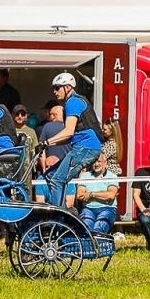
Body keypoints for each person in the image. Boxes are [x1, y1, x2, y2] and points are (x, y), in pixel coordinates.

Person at [42, 72, 103, 207]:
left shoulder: (73, 102)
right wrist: (44, 145)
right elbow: (69, 138)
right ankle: (64, 214)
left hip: (86, 148)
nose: (54, 91)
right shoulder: (72, 103)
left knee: (58, 180)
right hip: (82, 147)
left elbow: (68, 132)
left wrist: (47, 142)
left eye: (57, 87)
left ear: (68, 87)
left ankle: (58, 217)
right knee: (51, 175)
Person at [67, 149, 119, 238]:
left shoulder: (112, 176)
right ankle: (88, 250)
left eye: (99, 161)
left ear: (105, 163)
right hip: (88, 209)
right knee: (85, 229)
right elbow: (80, 195)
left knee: (98, 229)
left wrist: (91, 194)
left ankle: (96, 249)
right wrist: (102, 194)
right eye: (94, 161)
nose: (96, 164)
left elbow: (110, 195)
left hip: (107, 209)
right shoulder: (85, 176)